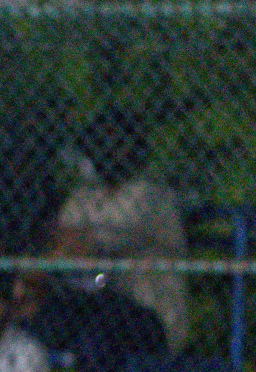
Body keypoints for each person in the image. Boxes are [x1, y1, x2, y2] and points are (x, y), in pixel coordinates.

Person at [52, 108, 188, 349]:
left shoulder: (150, 194)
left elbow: (93, 243)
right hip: (94, 307)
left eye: (119, 142)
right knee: (41, 322)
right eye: (101, 141)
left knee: (98, 339)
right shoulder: (85, 194)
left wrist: (72, 241)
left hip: (150, 315)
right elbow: (58, 243)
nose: (109, 149)